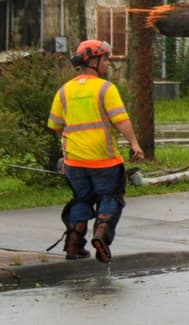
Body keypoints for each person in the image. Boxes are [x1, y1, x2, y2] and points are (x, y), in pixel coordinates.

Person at [47, 39, 145, 263]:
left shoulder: (64, 91)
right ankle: (101, 234)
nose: (108, 63)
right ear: (93, 61)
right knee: (110, 197)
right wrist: (134, 144)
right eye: (105, 58)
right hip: (105, 161)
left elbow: (54, 125)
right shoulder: (105, 88)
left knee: (81, 200)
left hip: (75, 164)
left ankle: (73, 246)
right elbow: (121, 120)